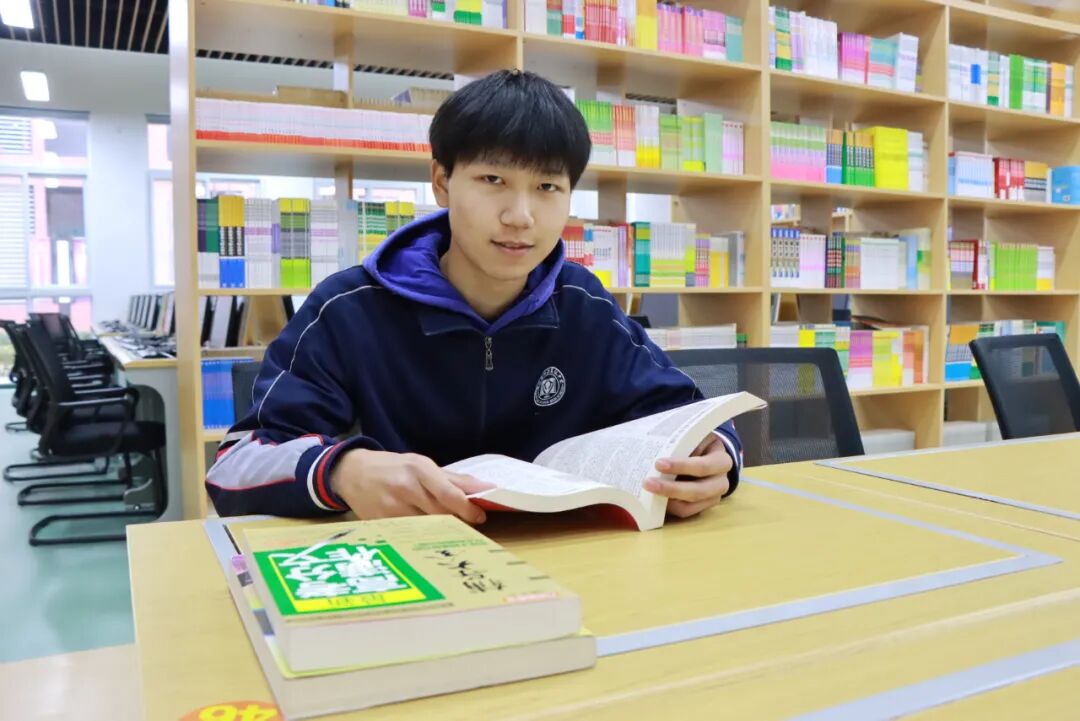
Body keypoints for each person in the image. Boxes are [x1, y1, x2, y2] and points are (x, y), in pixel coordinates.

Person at [207, 69, 743, 523]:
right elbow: (234, 463)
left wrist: (717, 459)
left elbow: (689, 415)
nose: (520, 216)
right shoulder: (347, 308)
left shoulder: (585, 304)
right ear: (442, 182)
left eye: (547, 187)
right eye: (492, 179)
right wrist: (341, 471)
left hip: (567, 559)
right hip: (411, 568)